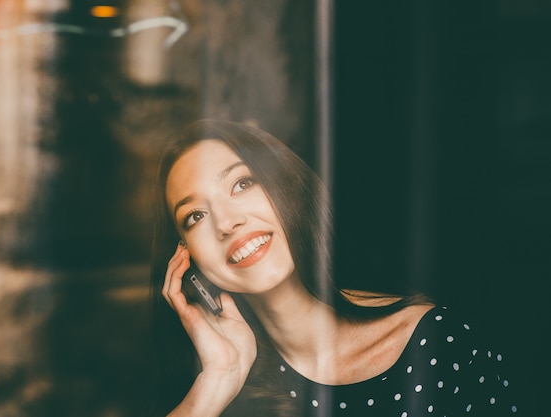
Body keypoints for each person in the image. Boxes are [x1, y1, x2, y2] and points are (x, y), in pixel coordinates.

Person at [145, 119, 518, 417]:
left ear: (286, 189)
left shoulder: (436, 345)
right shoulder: (221, 379)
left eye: (243, 183)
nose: (225, 223)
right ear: (186, 259)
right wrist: (216, 382)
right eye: (195, 216)